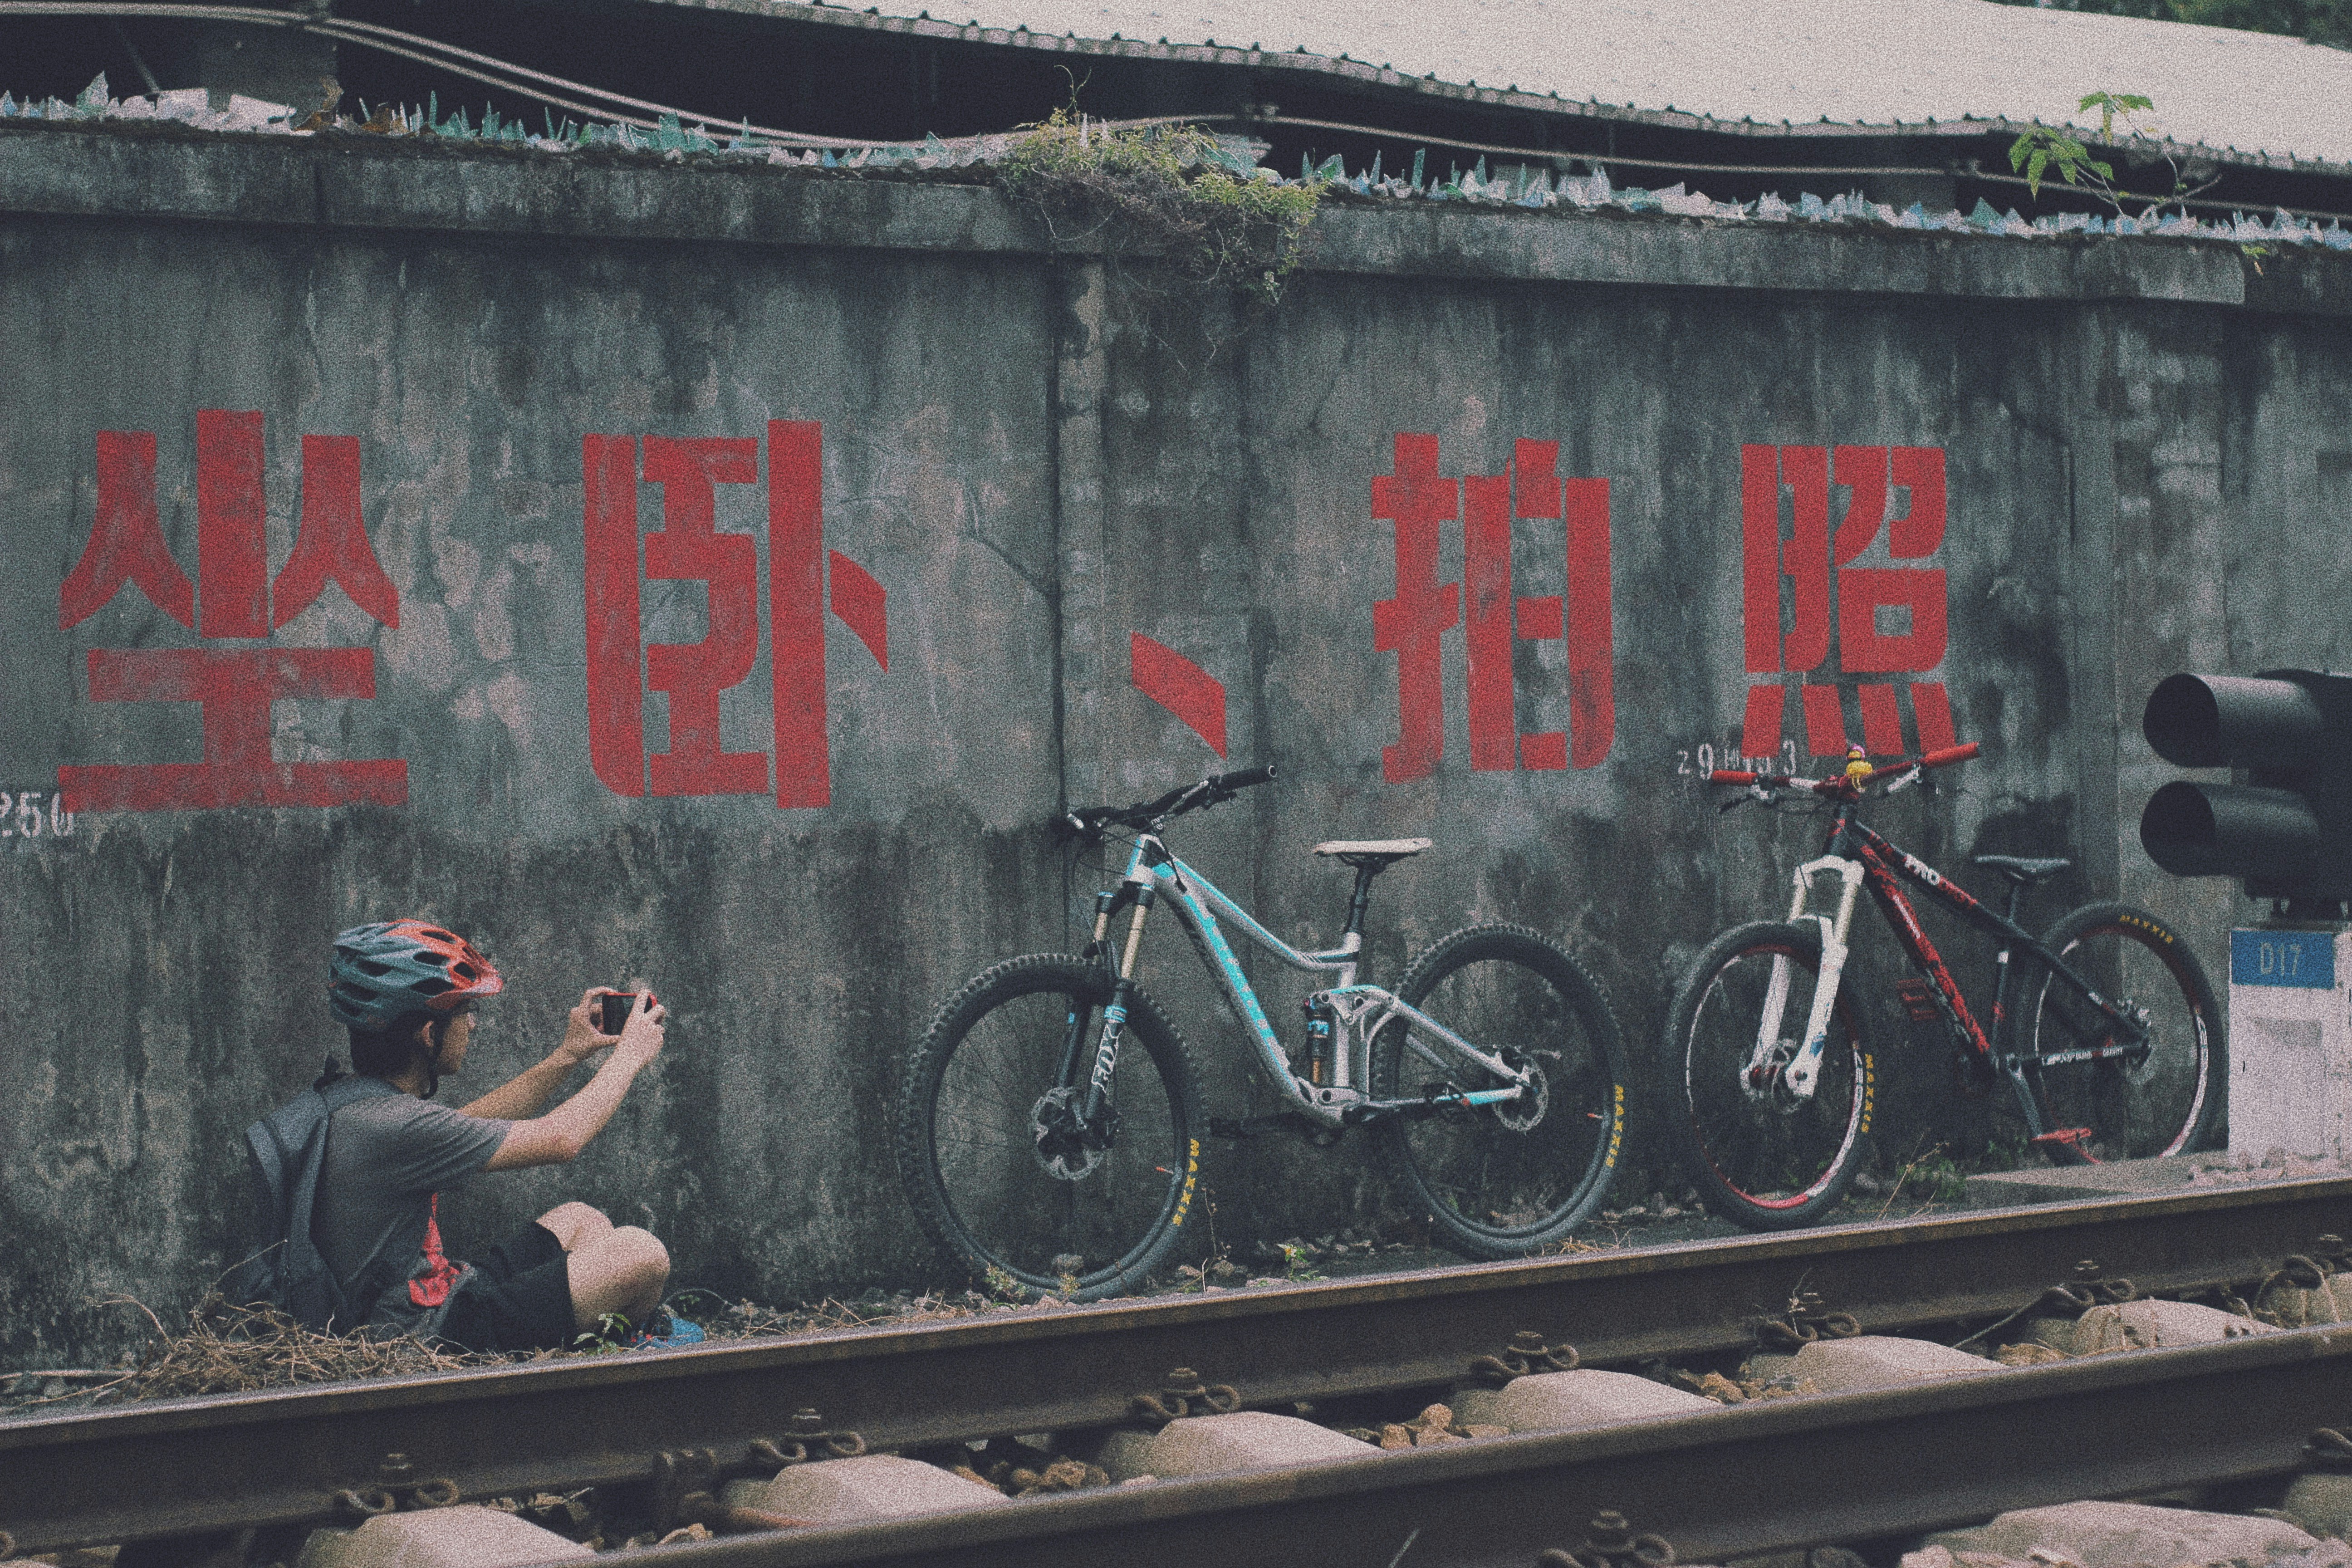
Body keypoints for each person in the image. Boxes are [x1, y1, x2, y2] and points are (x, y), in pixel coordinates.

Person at [313, 919, 694, 1351]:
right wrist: (629, 1058)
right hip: (430, 1336)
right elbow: (563, 1139)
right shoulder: (389, 1124)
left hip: (448, 1293)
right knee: (642, 1254)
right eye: (465, 1012)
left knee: (582, 1219)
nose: (472, 1026)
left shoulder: (363, 1107)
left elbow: (467, 1123)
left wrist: (567, 1056)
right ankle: (616, 1344)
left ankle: (606, 1337)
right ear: (428, 1034)